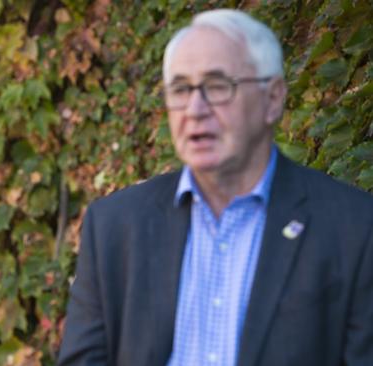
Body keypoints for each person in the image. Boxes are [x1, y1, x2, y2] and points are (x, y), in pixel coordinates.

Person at [58, 9, 373, 366]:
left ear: (272, 99)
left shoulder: (354, 228)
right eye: (180, 89)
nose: (195, 108)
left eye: (217, 86)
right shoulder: (115, 226)